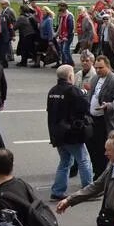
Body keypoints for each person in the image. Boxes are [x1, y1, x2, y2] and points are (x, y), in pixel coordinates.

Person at [46, 64, 95, 201]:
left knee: (65, 162)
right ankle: (88, 190)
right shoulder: (73, 91)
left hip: (57, 133)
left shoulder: (53, 91)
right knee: (84, 160)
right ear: (70, 76)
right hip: (71, 133)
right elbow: (85, 107)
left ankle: (57, 191)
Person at [86, 56, 114, 176]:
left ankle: (102, 175)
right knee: (92, 148)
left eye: (101, 68)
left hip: (104, 121)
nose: (98, 70)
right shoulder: (94, 79)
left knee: (103, 151)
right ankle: (97, 172)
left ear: (108, 66)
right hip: (92, 119)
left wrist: (108, 106)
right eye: (96, 68)